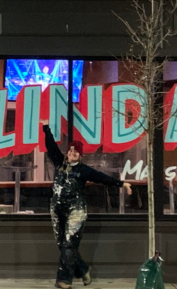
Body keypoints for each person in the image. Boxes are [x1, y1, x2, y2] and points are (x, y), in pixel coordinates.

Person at [41, 121, 132, 289]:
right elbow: (51, 147)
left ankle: (64, 280)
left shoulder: (84, 170)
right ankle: (83, 270)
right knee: (62, 243)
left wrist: (121, 184)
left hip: (76, 210)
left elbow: (102, 178)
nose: (72, 153)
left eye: (76, 152)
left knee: (69, 244)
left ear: (80, 155)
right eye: (70, 150)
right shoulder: (59, 163)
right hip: (57, 208)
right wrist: (46, 130)